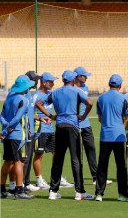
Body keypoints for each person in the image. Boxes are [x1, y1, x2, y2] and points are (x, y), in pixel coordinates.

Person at [36, 70, 94, 201]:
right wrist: (83, 116)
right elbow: (90, 103)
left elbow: (39, 103)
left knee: (58, 159)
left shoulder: (55, 92)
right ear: (73, 80)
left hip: (60, 126)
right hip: (73, 126)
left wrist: (51, 116)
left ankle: (53, 191)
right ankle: (79, 192)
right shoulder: (77, 91)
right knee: (76, 159)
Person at [95, 74, 128, 202]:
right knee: (121, 166)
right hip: (119, 136)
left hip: (105, 135)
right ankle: (122, 194)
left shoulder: (101, 98)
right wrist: (121, 126)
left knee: (102, 165)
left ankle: (99, 194)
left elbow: (100, 118)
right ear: (120, 85)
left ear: (108, 84)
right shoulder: (124, 98)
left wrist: (107, 123)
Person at [0, 75, 37, 199]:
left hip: (8, 135)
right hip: (19, 135)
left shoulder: (9, 97)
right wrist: (10, 126)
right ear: (25, 87)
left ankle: (2, 189)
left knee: (7, 161)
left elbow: (2, 115)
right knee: (19, 161)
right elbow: (18, 117)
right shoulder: (24, 100)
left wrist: (5, 127)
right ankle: (19, 190)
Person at [74, 67, 110, 185]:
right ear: (78, 77)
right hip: (75, 124)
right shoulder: (72, 89)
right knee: (77, 154)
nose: (86, 77)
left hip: (86, 124)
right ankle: (78, 179)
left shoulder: (85, 88)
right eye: (84, 75)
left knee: (91, 149)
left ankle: (96, 177)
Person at [33, 72, 59, 190]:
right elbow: (29, 113)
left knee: (56, 153)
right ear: (44, 83)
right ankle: (39, 179)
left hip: (50, 129)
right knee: (39, 154)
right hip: (40, 129)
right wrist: (42, 118)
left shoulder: (51, 94)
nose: (53, 84)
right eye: (51, 82)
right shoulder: (35, 96)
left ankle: (56, 177)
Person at [22, 71, 42, 192]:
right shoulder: (23, 94)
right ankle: (21, 183)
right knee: (23, 159)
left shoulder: (29, 93)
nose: (37, 81)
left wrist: (39, 118)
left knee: (28, 158)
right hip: (24, 131)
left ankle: (27, 182)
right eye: (35, 79)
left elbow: (30, 113)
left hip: (31, 130)